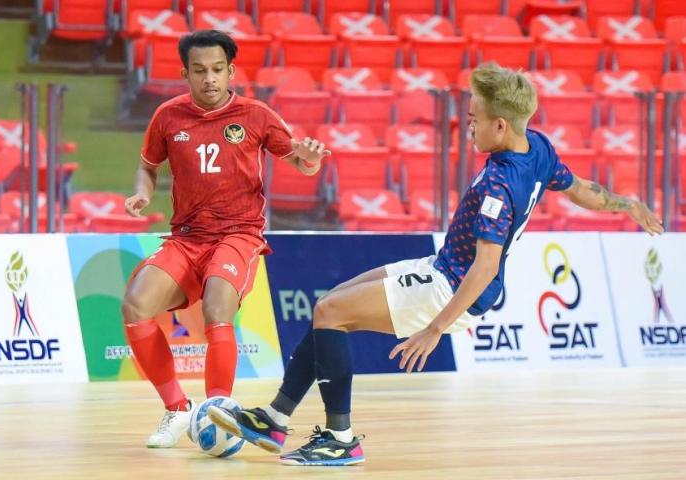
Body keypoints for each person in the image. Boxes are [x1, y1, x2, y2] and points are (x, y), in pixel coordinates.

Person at [208, 62, 664, 465]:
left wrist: (434, 328)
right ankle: (274, 417)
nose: (468, 126)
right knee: (329, 304)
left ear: (501, 126)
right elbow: (581, 188)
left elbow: (484, 267)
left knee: (330, 314)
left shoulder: (499, 187)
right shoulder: (538, 148)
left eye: (474, 120)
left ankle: (340, 439)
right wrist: (626, 204)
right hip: (442, 267)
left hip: (450, 288)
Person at [121, 30, 330, 448]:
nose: (209, 78)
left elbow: (300, 163)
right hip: (187, 237)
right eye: (199, 71)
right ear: (185, 74)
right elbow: (147, 166)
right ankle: (178, 410)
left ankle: (220, 414)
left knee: (218, 305)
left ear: (231, 70)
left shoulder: (256, 115)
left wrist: (308, 159)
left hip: (238, 234)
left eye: (217, 69)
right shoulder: (167, 116)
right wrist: (143, 191)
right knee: (136, 304)